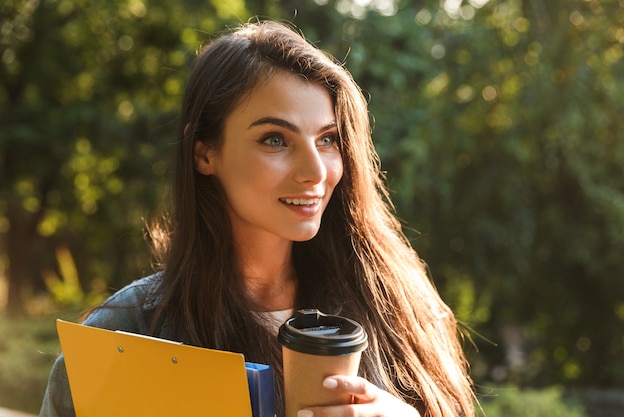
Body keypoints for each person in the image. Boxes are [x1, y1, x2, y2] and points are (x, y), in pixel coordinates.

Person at [40, 19, 474, 417]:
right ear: (205, 154)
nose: (316, 172)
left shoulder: (399, 311)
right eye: (275, 139)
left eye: (327, 139)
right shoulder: (124, 339)